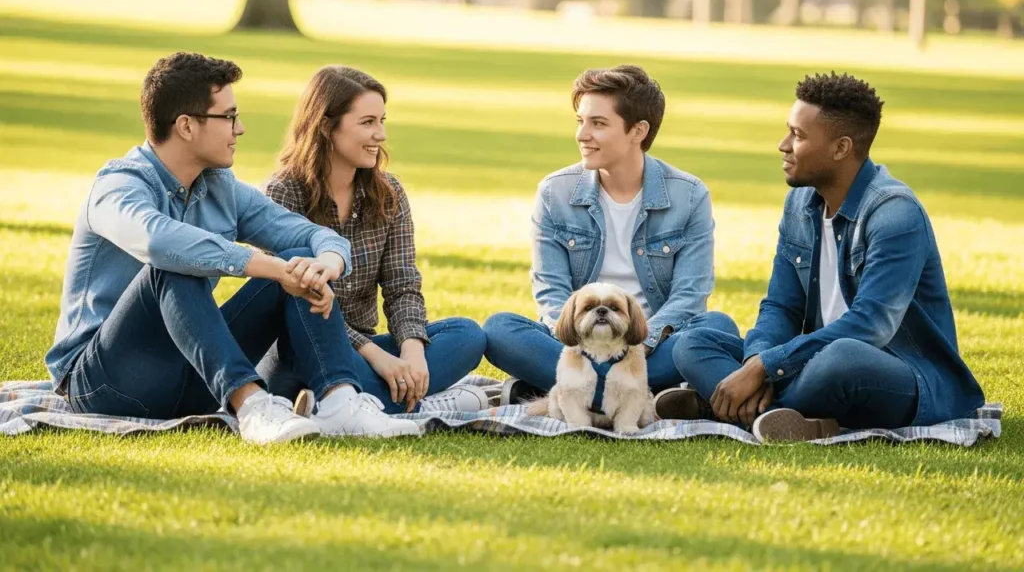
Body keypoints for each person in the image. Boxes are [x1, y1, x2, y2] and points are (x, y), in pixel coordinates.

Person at [46, 52, 420, 444]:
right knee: (174, 264)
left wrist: (325, 262)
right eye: (228, 117)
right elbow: (159, 241)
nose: (239, 128)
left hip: (193, 376)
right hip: (104, 382)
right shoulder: (118, 186)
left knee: (297, 260)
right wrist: (269, 267)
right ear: (187, 126)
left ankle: (341, 402)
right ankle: (253, 406)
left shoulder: (219, 186)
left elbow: (307, 233)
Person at [663, 72, 985, 441]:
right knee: (695, 341)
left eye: (798, 135)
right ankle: (793, 419)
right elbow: (780, 307)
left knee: (843, 358)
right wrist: (757, 362)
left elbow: (871, 325)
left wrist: (766, 369)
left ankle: (722, 405)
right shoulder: (800, 204)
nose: (783, 145)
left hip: (899, 373)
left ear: (841, 148)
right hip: (809, 365)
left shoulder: (895, 213)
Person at [482, 64, 739, 407]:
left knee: (716, 327)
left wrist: (636, 348)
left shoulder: (689, 195)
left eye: (598, 123)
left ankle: (572, 393)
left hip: (653, 345)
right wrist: (584, 349)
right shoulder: (555, 191)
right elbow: (551, 291)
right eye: (580, 121)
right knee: (500, 329)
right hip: (577, 344)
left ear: (638, 131)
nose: (582, 135)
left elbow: (690, 295)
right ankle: (643, 396)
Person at [257, 65, 489, 415]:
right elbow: (294, 296)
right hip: (300, 350)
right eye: (367, 123)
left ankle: (344, 403)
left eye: (382, 121)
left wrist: (411, 352)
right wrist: (376, 355)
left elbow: (402, 285)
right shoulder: (283, 193)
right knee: (317, 345)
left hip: (365, 354)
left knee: (467, 335)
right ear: (326, 126)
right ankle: (415, 403)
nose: (380, 134)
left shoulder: (388, 192)